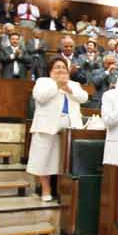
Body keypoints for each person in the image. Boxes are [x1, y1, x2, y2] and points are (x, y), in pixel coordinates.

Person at [27, 58, 88, 201]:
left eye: (63, 67)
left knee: (64, 160)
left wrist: (69, 89)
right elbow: (40, 98)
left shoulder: (74, 84)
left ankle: (63, 192)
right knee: (44, 159)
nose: (61, 69)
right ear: (50, 71)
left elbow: (84, 98)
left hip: (70, 126)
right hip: (47, 125)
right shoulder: (43, 82)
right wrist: (57, 86)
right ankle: (46, 189)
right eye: (57, 67)